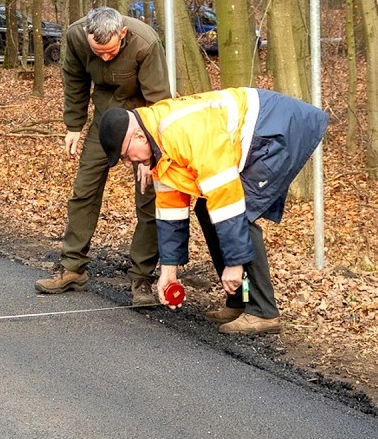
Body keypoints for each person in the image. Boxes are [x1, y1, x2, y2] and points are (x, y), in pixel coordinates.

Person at [99, 87, 329, 334]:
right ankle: (239, 299)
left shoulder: (186, 134)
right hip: (261, 130)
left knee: (242, 213)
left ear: (138, 137)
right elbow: (170, 212)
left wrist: (235, 262)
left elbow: (227, 201)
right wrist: (169, 271)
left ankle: (263, 311)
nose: (127, 163)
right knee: (207, 210)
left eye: (125, 155)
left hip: (277, 129)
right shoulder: (158, 146)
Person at [35, 6, 169, 307]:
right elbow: (75, 81)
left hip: (143, 121)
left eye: (111, 52)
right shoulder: (76, 37)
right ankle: (72, 267)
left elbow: (160, 101)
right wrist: (73, 125)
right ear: (87, 36)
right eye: (100, 52)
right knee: (84, 189)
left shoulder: (145, 43)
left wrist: (153, 153)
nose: (105, 58)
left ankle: (142, 277)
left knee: (148, 197)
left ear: (123, 34)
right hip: (104, 121)